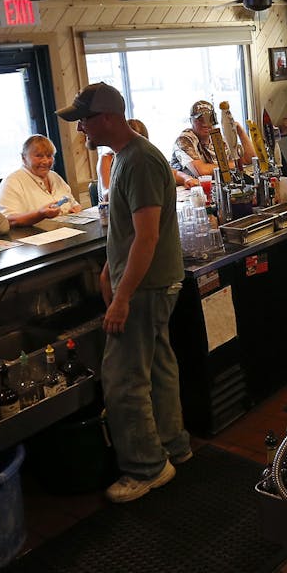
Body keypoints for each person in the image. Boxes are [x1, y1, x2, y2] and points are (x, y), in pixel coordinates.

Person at [59, 82, 190, 503]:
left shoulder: (139, 161)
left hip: (145, 286)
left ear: (108, 118)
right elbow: (127, 230)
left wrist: (121, 297)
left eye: (84, 120)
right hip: (146, 281)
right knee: (159, 367)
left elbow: (147, 238)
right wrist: (108, 269)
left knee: (122, 379)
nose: (80, 129)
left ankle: (146, 468)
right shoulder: (124, 158)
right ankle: (173, 446)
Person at [0, 135, 82, 228]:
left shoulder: (55, 176)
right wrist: (40, 214)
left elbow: (73, 203)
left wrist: (76, 208)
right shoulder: (12, 182)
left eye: (49, 156)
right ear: (24, 158)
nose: (45, 161)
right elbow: (8, 220)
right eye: (39, 156)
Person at [170, 100, 257, 183]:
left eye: (210, 118)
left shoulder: (218, 138)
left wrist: (240, 131)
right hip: (190, 192)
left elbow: (249, 159)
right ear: (191, 121)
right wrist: (233, 165)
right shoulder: (184, 140)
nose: (205, 123)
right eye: (200, 119)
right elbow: (201, 171)